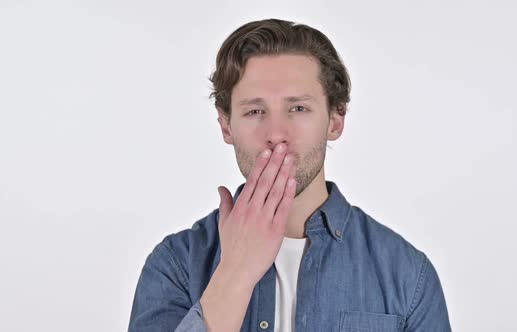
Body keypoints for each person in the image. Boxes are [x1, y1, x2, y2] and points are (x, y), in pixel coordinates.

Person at [128, 18, 451, 332]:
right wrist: (235, 273)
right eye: (255, 111)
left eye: (298, 108)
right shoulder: (175, 263)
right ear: (226, 126)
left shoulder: (407, 273)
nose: (277, 134)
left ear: (335, 120)